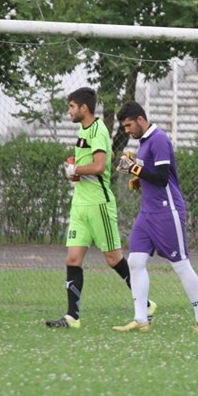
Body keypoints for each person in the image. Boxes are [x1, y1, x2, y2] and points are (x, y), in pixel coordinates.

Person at [46, 87, 155, 328]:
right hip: (80, 204)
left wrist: (76, 169)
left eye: (72, 107)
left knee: (113, 259)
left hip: (99, 204)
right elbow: (95, 162)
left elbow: (98, 166)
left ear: (84, 108)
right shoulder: (83, 130)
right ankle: (72, 317)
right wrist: (73, 170)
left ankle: (146, 304)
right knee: (72, 259)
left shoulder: (98, 130)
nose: (69, 111)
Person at [112, 100, 198, 333]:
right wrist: (139, 179)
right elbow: (151, 175)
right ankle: (141, 319)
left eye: (129, 125)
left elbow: (162, 177)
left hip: (167, 212)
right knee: (135, 262)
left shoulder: (159, 139)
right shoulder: (145, 141)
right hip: (147, 213)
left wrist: (133, 168)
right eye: (124, 127)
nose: (127, 131)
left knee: (180, 265)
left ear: (140, 119)